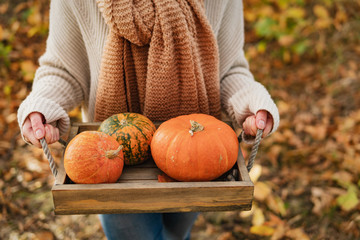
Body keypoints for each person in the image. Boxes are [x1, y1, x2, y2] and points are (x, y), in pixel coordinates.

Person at [18, 0, 280, 239]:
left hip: (197, 153)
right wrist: (43, 106)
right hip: (111, 156)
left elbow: (229, 67)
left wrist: (251, 102)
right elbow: (63, 70)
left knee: (177, 234)